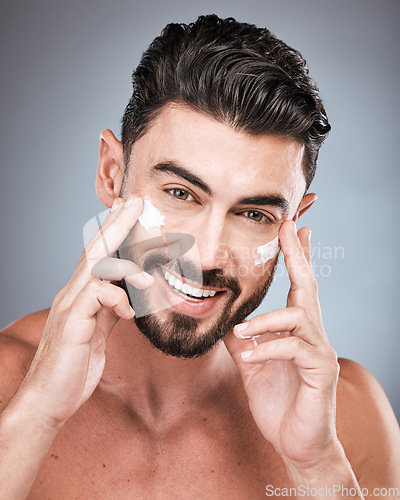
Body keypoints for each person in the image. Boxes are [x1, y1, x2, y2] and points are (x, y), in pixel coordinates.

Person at [0, 14, 399, 499]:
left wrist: (316, 465)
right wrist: (38, 412)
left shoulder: (342, 414)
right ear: (111, 173)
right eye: (180, 193)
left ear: (293, 223)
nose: (207, 255)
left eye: (253, 214)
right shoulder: (8, 388)